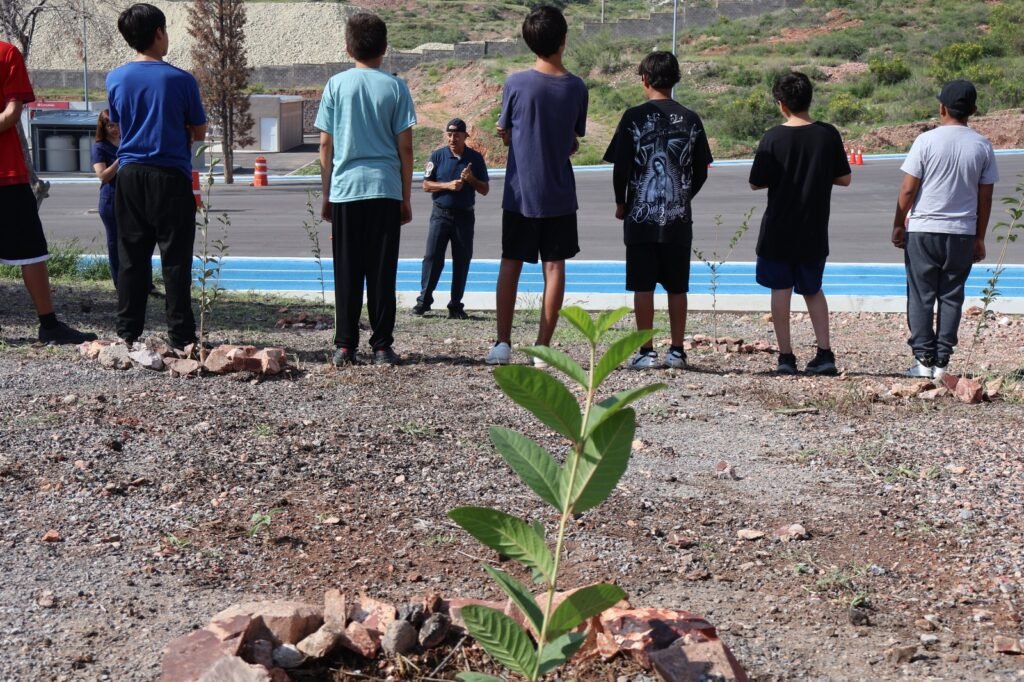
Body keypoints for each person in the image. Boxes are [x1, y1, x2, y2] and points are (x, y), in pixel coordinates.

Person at [484, 4, 588, 366]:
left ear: (529, 42)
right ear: (563, 39)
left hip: (520, 192)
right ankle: (543, 346)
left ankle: (502, 343)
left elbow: (509, 133)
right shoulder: (576, 86)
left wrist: (509, 136)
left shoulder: (515, 83)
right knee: (555, 266)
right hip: (558, 191)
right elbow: (572, 140)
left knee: (510, 262)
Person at [316, 12, 415, 366]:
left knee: (347, 268)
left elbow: (325, 145)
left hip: (345, 189)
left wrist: (327, 193)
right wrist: (406, 196)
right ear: (384, 48)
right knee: (381, 270)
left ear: (348, 47)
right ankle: (382, 346)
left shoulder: (335, 85)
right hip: (385, 188)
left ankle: (344, 345)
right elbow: (405, 147)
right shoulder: (395, 87)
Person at [106, 3, 207, 349]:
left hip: (130, 174)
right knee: (175, 259)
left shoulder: (115, 78)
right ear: (159, 33)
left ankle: (127, 332)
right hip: (169, 175)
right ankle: (181, 335)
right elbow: (200, 129)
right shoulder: (180, 79)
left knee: (131, 257)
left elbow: (118, 120)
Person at [603, 51, 712, 370]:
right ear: (675, 79)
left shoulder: (633, 117)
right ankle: (677, 350)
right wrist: (684, 197)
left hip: (641, 220)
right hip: (678, 220)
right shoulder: (691, 118)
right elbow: (702, 169)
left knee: (643, 285)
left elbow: (620, 168)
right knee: (678, 287)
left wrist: (621, 202)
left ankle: (645, 351)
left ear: (645, 80)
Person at [891, 80, 997, 379]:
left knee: (921, 294)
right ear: (973, 111)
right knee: (952, 295)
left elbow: (908, 189)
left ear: (942, 108)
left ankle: (923, 361)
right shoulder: (982, 145)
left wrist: (899, 224)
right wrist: (979, 237)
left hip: (924, 229)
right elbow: (985, 197)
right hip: (962, 232)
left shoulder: (925, 141)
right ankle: (942, 364)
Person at [749, 71, 851, 376]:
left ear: (781, 104)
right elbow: (844, 177)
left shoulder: (773, 137)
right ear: (810, 98)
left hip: (778, 229)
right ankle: (825, 352)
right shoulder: (828, 134)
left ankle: (786, 356)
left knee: (780, 291)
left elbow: (756, 182)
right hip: (814, 228)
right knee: (813, 290)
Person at [0, 39, 96, 345]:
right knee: (32, 252)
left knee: (33, 250)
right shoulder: (6, 52)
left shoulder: (7, 53)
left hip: (8, 173)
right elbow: (11, 114)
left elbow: (12, 114)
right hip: (7, 173)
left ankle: (49, 324)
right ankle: (49, 323)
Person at [412, 118, 489, 320]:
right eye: (449, 134)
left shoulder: (475, 159)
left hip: (464, 215)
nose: (452, 138)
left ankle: (455, 305)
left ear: (465, 136)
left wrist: (471, 179)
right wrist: (448, 186)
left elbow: (485, 189)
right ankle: (424, 302)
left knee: (462, 261)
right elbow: (426, 185)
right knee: (432, 258)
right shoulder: (437, 156)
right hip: (440, 214)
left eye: (457, 135)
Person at [91, 110, 121, 287]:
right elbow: (103, 175)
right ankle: (119, 283)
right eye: (110, 125)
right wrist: (120, 159)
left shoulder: (126, 142)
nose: (115, 128)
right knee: (115, 242)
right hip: (111, 199)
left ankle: (143, 282)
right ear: (103, 127)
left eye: (117, 124)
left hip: (130, 199)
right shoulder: (100, 147)